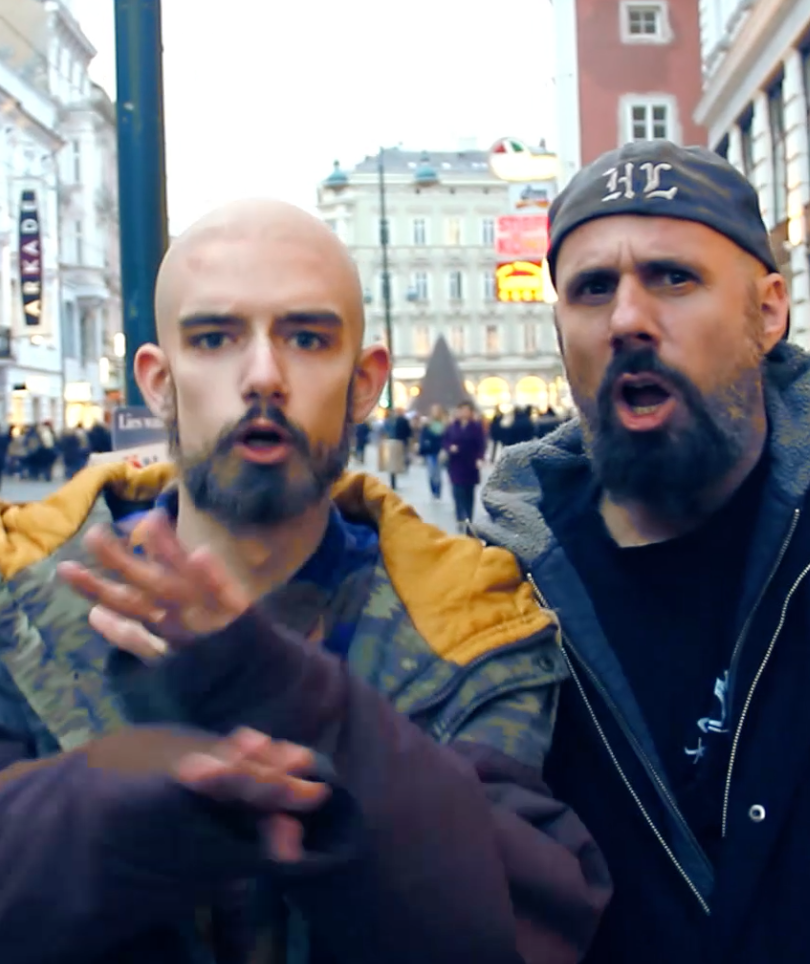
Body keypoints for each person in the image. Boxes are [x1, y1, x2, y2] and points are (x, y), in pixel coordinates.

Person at [0, 199, 609, 963]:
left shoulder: (473, 626)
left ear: (365, 382)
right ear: (157, 381)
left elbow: (514, 926)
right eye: (214, 338)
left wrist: (289, 697)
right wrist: (109, 807)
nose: (264, 377)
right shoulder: (21, 603)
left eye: (308, 338)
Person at [479, 140, 810, 963]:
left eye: (673, 277)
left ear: (769, 312)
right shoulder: (503, 589)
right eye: (593, 288)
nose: (626, 319)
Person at [442, 399, 485, 531]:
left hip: (470, 463)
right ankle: (460, 517)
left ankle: (469, 518)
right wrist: (450, 447)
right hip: (456, 463)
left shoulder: (476, 427)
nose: (464, 413)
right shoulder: (452, 426)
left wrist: (480, 458)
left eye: (466, 410)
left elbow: (481, 444)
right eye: (461, 410)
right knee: (457, 491)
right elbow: (445, 441)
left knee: (469, 492)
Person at [417, 404, 447, 499]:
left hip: (439, 451)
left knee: (438, 473)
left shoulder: (444, 424)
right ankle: (433, 490)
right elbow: (423, 436)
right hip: (430, 451)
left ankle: (438, 491)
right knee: (431, 473)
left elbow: (446, 437)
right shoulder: (427, 424)